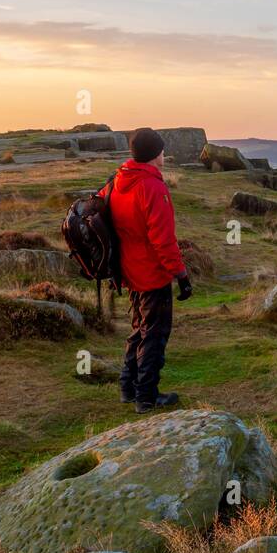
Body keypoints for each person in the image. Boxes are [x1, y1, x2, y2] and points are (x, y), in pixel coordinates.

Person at [99, 128, 192, 412]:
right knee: (154, 334)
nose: (164, 154)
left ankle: (128, 388)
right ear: (154, 154)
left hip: (130, 272)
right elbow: (163, 241)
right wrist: (181, 275)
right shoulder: (151, 187)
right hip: (151, 274)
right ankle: (147, 397)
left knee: (139, 330)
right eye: (162, 150)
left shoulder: (118, 181)